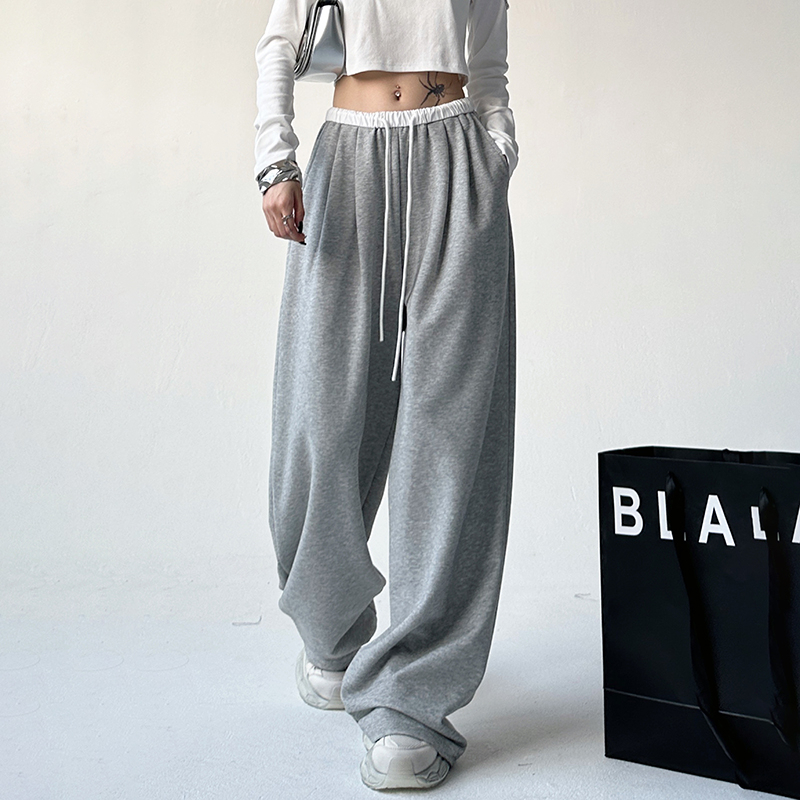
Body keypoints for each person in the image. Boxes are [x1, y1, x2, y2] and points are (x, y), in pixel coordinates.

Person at [253, 0, 518, 790]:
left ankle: (411, 700)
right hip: (350, 160)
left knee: (451, 431)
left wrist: (496, 151)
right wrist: (276, 162)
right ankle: (330, 627)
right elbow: (279, 45)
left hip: (457, 159)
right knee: (320, 417)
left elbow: (491, 63)